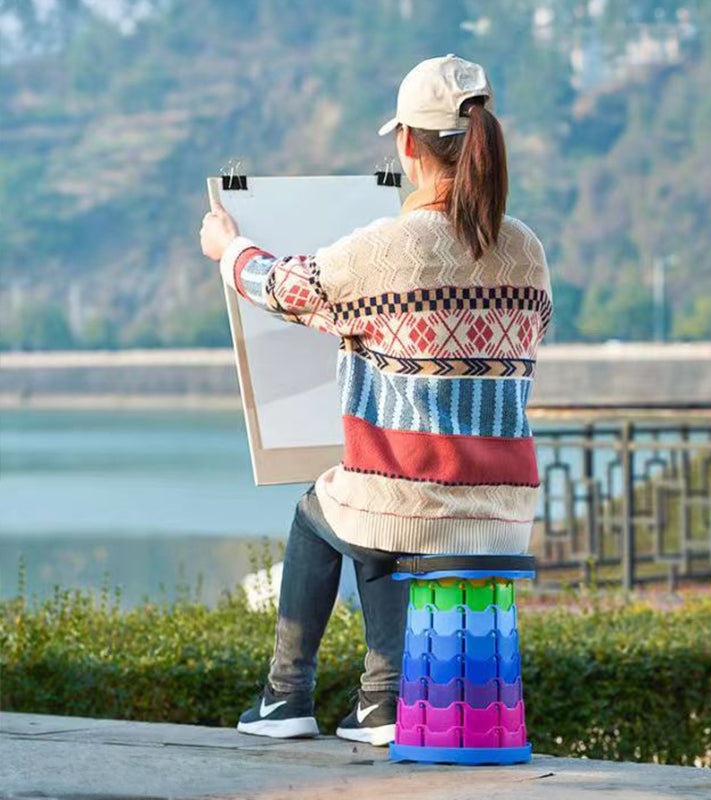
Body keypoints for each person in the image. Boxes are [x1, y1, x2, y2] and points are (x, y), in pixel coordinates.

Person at [199, 53, 553, 747]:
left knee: (321, 508)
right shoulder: (526, 247)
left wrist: (228, 246)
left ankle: (285, 698)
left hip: (421, 502)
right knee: (362, 495)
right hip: (506, 506)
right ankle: (381, 703)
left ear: (408, 143)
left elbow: (284, 287)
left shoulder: (389, 247)